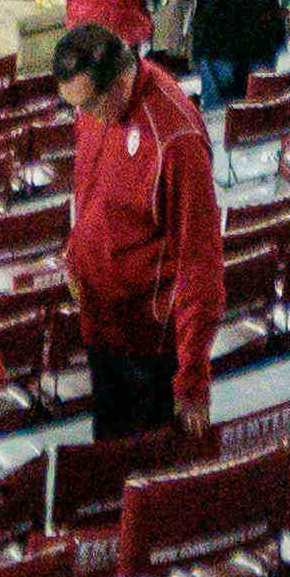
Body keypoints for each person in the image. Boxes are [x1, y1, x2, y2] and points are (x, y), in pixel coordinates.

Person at [54, 26, 221, 456]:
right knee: (108, 455)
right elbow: (92, 190)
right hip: (101, 322)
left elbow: (199, 262)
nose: (84, 115)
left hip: (148, 346)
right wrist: (76, 256)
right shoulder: (95, 109)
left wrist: (193, 377)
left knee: (144, 468)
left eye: (89, 103)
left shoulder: (175, 139)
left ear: (122, 79)